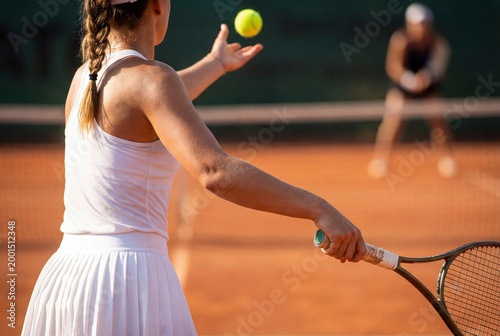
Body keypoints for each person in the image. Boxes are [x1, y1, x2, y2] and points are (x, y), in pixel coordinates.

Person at [22, 0, 367, 335]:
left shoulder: (85, 79)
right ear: (157, 5)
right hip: (128, 282)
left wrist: (215, 63)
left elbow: (155, 103)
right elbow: (215, 172)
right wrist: (319, 209)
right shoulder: (152, 80)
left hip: (64, 281)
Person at [368, 3, 458, 179]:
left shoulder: (437, 43)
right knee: (393, 120)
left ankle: (448, 159)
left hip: (428, 86)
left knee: (438, 120)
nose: (421, 27)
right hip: (403, 86)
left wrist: (427, 77)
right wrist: (408, 80)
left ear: (429, 24)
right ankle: (381, 160)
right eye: (417, 23)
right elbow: (393, 66)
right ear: (409, 24)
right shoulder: (400, 40)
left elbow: (438, 66)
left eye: (424, 23)